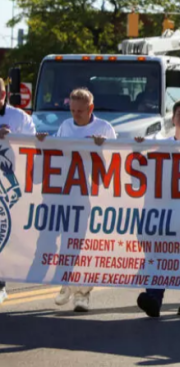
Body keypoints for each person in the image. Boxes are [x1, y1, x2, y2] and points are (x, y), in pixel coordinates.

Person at [37, 88, 116, 312]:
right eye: (72, 110)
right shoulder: (65, 126)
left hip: (93, 196)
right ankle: (66, 282)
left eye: (80, 111)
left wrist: (103, 148)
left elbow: (116, 162)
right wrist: (44, 142)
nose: (75, 115)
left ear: (91, 108)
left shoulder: (104, 129)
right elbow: (59, 155)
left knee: (84, 245)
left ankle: (83, 293)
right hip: (68, 194)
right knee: (67, 242)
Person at [135, 99, 180, 317]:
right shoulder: (160, 145)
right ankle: (154, 298)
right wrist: (138, 148)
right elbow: (138, 168)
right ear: (173, 118)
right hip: (162, 210)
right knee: (157, 252)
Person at [0, 78, 37, 304]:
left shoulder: (20, 118)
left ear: (3, 95)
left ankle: (1, 283)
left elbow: (34, 145)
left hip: (9, 187)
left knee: (5, 236)